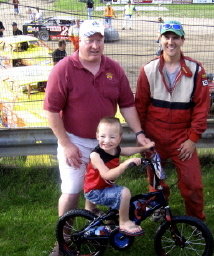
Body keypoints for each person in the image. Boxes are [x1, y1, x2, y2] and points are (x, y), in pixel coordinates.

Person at [43, 20, 149, 256]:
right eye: (89, 40)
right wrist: (67, 144)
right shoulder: (63, 69)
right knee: (71, 191)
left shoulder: (114, 68)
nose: (95, 45)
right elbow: (51, 111)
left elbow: (128, 104)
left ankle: (94, 222)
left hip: (106, 143)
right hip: (75, 141)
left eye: (99, 40)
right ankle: (63, 240)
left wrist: (139, 133)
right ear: (78, 41)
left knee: (101, 185)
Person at [135, 20, 210, 221]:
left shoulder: (196, 70)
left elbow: (202, 108)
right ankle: (158, 207)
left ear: (182, 41)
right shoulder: (148, 69)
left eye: (175, 37)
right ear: (160, 39)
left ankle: (195, 221)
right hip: (154, 136)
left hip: (182, 138)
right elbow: (140, 106)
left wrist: (193, 138)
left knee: (192, 184)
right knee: (155, 180)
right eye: (166, 37)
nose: (170, 42)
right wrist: (142, 137)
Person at [84, 117, 155, 236]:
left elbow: (127, 150)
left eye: (112, 137)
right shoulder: (96, 156)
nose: (107, 141)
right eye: (103, 136)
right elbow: (107, 175)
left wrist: (144, 148)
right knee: (124, 193)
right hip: (95, 191)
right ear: (97, 136)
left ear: (119, 138)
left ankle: (110, 222)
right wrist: (125, 164)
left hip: (104, 186)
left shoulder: (115, 149)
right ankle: (124, 223)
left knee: (125, 202)